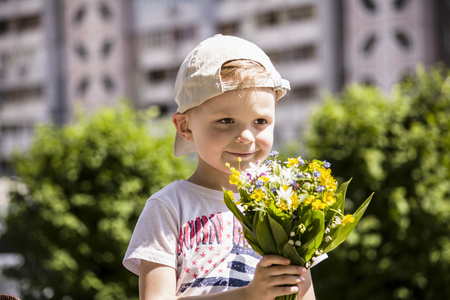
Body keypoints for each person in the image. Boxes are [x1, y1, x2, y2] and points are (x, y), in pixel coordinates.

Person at [123, 34, 320, 300]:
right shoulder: (168, 207)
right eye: (227, 120)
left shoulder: (288, 204)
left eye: (261, 121)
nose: (247, 137)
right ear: (185, 126)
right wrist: (248, 295)